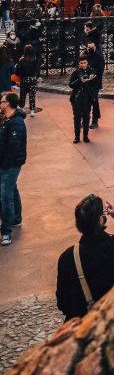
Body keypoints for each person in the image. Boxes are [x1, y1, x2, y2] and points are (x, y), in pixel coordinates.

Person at [56, 194, 114, 319]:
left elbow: (62, 301)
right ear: (101, 220)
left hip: (81, 324)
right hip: (113, 318)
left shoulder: (67, 257)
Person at [0, 91, 27, 245]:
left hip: (9, 165)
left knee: (5, 196)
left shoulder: (16, 123)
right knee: (12, 190)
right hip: (7, 164)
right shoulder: (8, 120)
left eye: (2, 101)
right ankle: (16, 219)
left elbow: (13, 149)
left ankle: (6, 230)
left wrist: (3, 165)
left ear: (8, 104)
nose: (0, 104)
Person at [69, 54, 97, 144]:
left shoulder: (91, 71)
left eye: (85, 62)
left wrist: (91, 80)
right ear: (79, 63)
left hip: (87, 98)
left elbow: (96, 84)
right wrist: (79, 80)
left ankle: (85, 136)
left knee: (86, 117)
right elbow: (71, 85)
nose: (83, 64)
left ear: (87, 62)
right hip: (77, 98)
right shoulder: (76, 72)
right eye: (81, 63)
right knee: (77, 117)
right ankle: (77, 136)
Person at [14, 43, 39, 117]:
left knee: (23, 94)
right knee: (32, 95)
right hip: (33, 79)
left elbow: (17, 71)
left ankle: (22, 108)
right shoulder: (35, 59)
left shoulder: (22, 60)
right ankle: (32, 111)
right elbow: (37, 70)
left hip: (24, 79)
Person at [86, 40, 105, 128]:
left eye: (92, 47)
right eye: (89, 47)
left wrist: (92, 74)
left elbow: (100, 70)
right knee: (85, 102)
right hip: (85, 83)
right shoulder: (85, 56)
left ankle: (95, 120)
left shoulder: (99, 56)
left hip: (95, 82)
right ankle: (85, 119)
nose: (90, 49)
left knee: (94, 101)